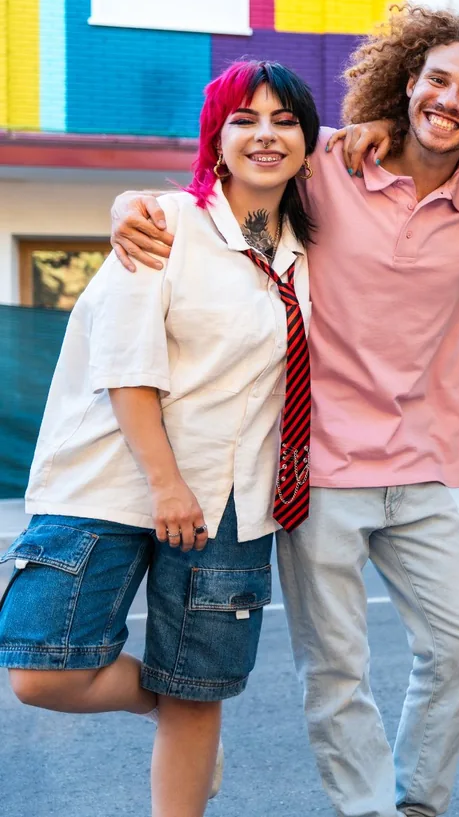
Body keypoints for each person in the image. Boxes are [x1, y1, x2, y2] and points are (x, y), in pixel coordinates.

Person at [110, 3, 459, 817]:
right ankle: (367, 810)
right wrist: (128, 206)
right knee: (337, 667)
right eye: (438, 81)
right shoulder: (324, 162)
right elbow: (219, 187)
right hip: (317, 467)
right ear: (408, 82)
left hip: (425, 464)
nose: (449, 101)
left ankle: (417, 801)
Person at [1, 60, 318, 816]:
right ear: (215, 138)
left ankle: (183, 733)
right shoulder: (164, 222)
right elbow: (126, 362)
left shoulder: (308, 253)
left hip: (233, 498)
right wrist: (166, 483)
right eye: (244, 119)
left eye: (284, 120)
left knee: (198, 687)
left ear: (310, 140)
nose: (265, 135)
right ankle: (159, 702)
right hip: (114, 479)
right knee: (42, 670)